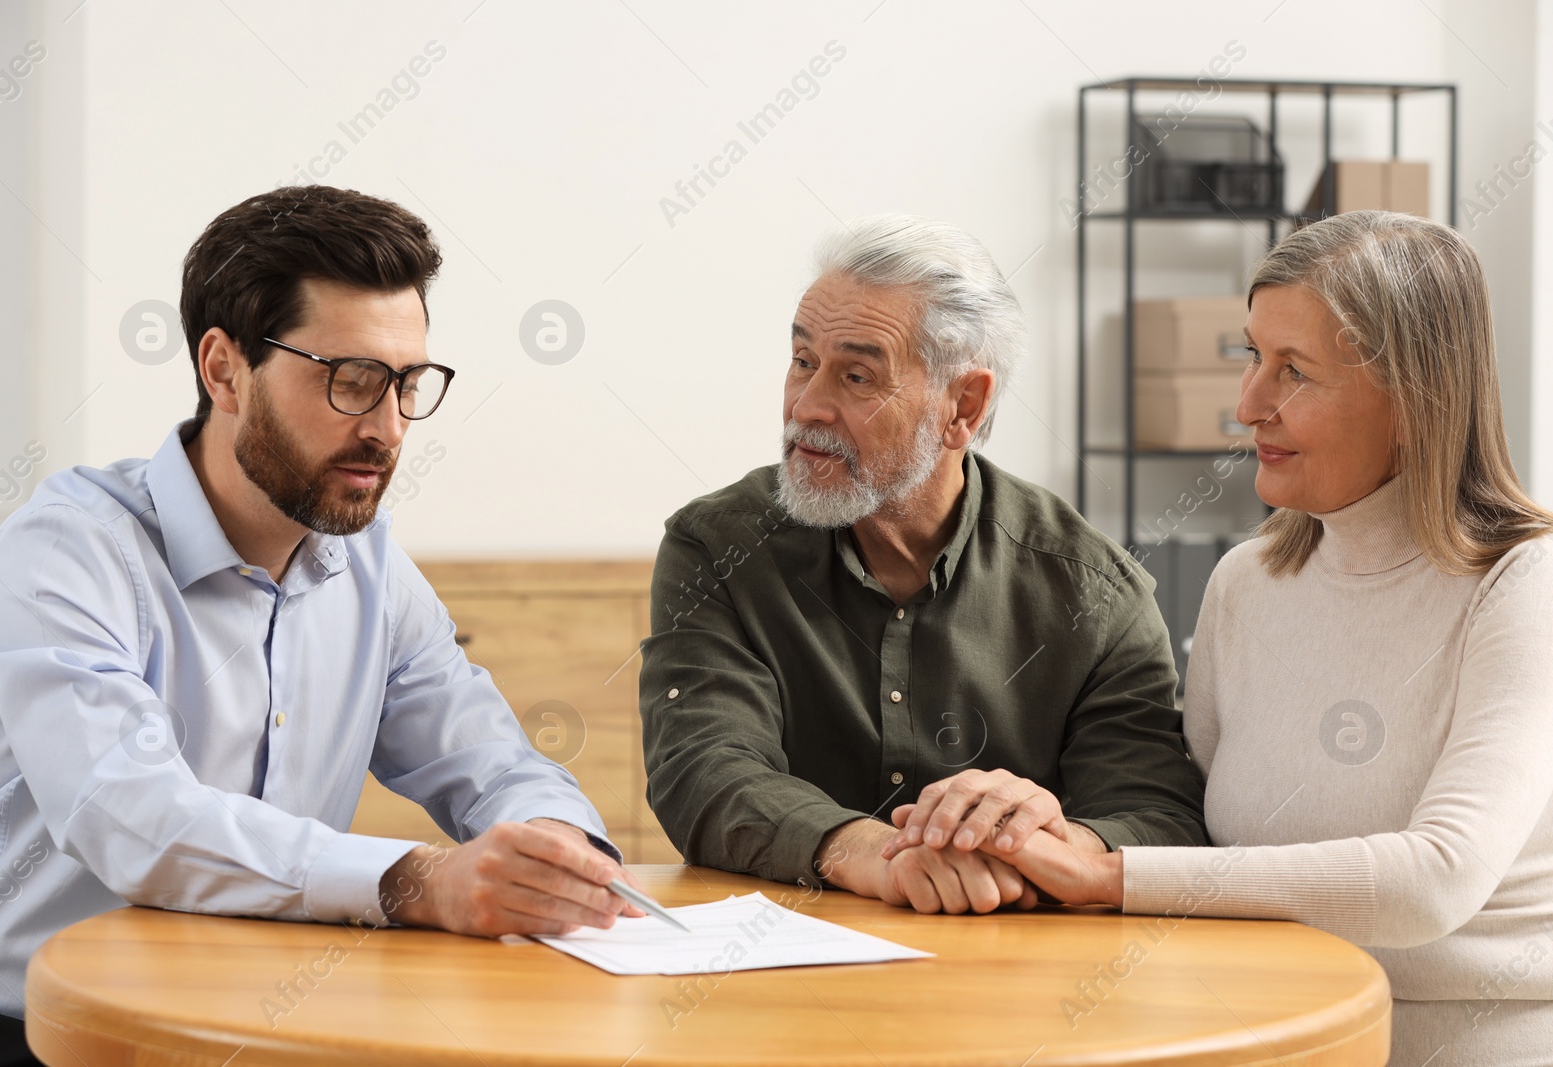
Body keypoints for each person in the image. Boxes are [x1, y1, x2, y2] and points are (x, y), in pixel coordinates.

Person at [0, 186, 639, 1066]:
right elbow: (130, 817)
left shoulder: (371, 567)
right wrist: (417, 880)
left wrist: (556, 850)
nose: (387, 428)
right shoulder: (68, 551)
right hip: (37, 1036)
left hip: (267, 1031)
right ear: (224, 368)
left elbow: (491, 762)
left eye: (408, 384)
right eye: (350, 380)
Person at [890, 210, 1553, 1065]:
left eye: (1295, 372)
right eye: (1252, 356)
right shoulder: (1247, 583)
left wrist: (1109, 876)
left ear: (1412, 398)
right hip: (1257, 1029)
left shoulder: (1523, 584)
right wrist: (1058, 834)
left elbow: (1436, 881)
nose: (1247, 406)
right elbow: (1188, 834)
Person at [639, 215, 1207, 915]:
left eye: (856, 375)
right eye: (801, 360)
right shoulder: (716, 546)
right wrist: (878, 857)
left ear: (963, 406)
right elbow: (704, 768)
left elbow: (1158, 811)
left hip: (1023, 990)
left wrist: (1053, 842)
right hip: (776, 984)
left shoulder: (1093, 589)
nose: (806, 405)